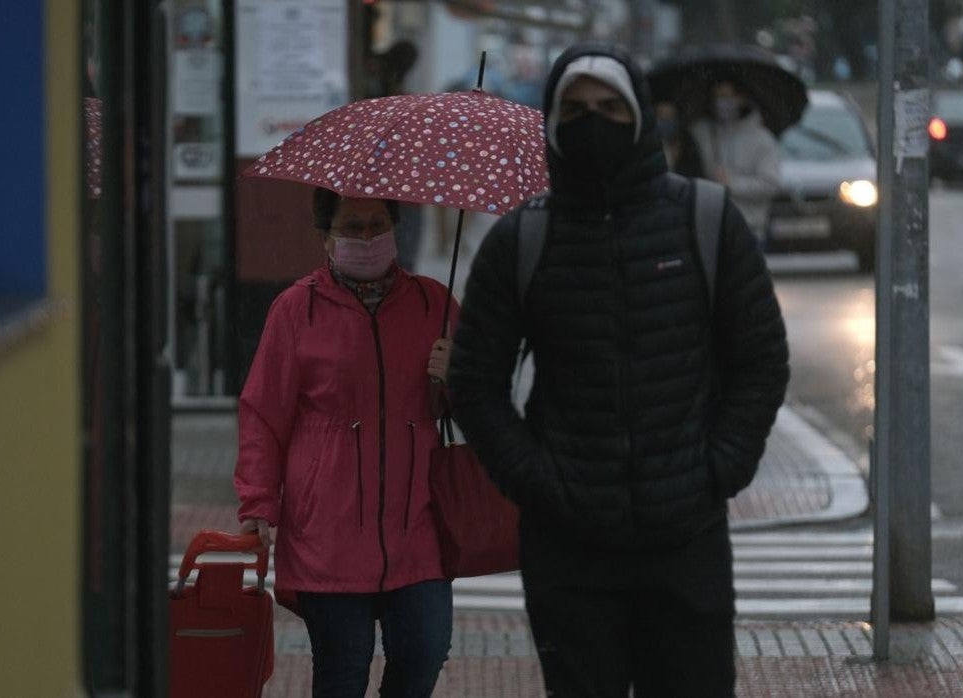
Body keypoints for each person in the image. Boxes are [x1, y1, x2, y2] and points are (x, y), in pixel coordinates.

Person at [447, 44, 789, 697]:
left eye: (609, 107)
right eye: (574, 109)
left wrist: (719, 467)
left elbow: (760, 360)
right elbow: (475, 383)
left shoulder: (707, 221)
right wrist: (535, 479)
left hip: (685, 537)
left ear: (639, 118)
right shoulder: (522, 241)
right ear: (550, 119)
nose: (593, 122)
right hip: (568, 548)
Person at [234, 189, 456, 697]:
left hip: (418, 523)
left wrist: (457, 377)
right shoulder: (296, 310)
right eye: (352, 226)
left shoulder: (433, 304)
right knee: (342, 670)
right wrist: (258, 503)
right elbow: (263, 415)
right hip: (327, 531)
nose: (367, 237)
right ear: (325, 237)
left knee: (425, 649)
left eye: (378, 224)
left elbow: (476, 405)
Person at [688, 78, 782, 244]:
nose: (722, 103)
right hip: (710, 229)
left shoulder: (761, 139)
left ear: (741, 98)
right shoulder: (701, 133)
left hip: (749, 228)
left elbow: (770, 184)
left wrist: (732, 184)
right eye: (717, 97)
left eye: (727, 96)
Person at [655, 99, 703, 177]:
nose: (664, 122)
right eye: (661, 117)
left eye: (668, 117)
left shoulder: (688, 148)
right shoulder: (647, 146)